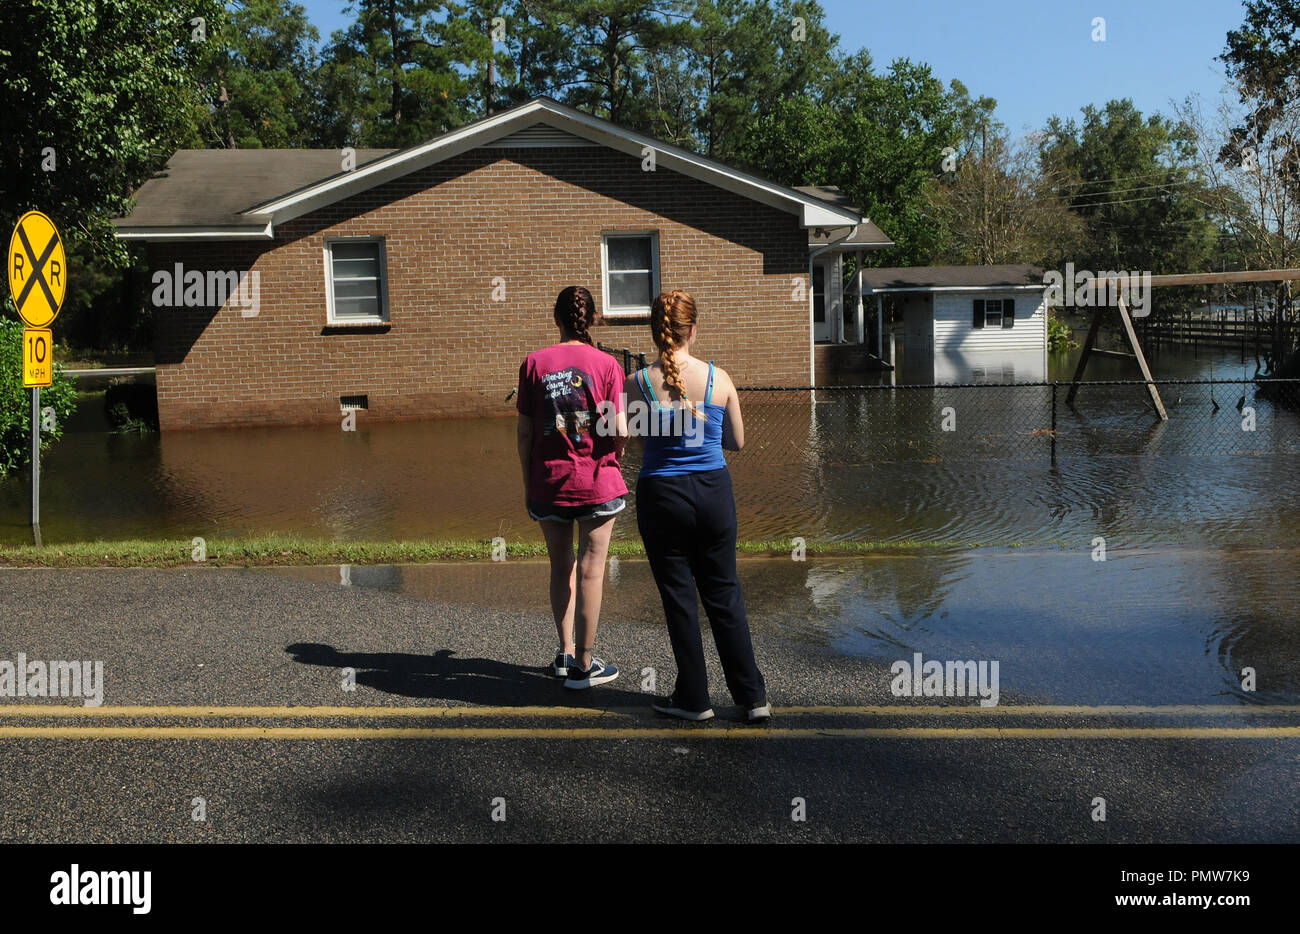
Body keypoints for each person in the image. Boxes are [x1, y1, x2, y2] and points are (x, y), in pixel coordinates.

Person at [624, 289, 769, 722]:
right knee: (724, 592)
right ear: (694, 329)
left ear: (654, 331)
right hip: (713, 493)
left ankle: (694, 698)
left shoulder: (637, 383)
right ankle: (752, 696)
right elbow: (736, 443)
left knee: (680, 597)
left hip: (662, 497)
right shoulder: (720, 380)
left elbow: (633, 441)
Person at [516, 286, 628, 689]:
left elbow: (526, 434)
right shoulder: (608, 365)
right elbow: (618, 429)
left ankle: (564, 654)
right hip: (598, 483)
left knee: (560, 567)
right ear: (593, 319)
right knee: (591, 573)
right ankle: (584, 665)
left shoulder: (534, 363)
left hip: (550, 486)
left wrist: (530, 483)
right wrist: (616, 454)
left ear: (556, 318)